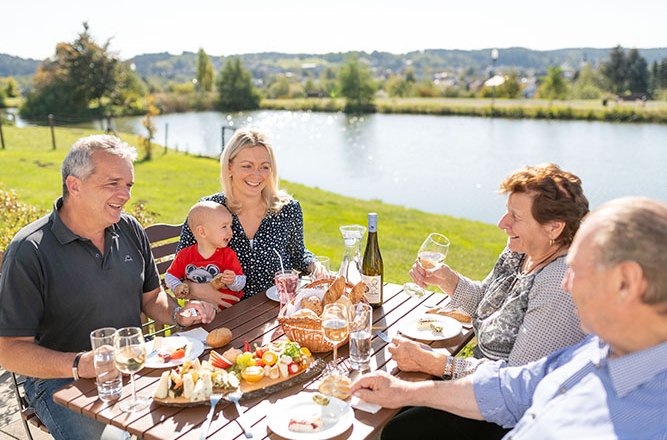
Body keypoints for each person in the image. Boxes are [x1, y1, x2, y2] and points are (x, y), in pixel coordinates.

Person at [353, 197, 667, 439]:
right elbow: (511, 389)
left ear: (626, 282)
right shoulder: (598, 349)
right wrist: (403, 391)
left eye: (577, 270)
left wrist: (437, 367)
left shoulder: (649, 419)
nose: (566, 283)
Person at [0, 135, 217, 440]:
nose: (125, 194)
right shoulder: (29, 250)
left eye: (128, 185)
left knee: (205, 414)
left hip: (133, 366)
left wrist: (180, 315)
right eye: (113, 183)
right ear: (75, 186)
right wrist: (80, 364)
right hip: (62, 381)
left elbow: (152, 298)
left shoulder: (129, 229)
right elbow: (8, 351)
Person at [395, 163, 589, 379]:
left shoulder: (558, 283)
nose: (501, 223)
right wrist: (448, 280)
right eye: (507, 211)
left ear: (554, 227)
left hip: (502, 406)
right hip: (475, 385)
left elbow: (517, 379)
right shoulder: (522, 251)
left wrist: (438, 364)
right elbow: (487, 303)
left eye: (515, 216)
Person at [177, 127, 326, 304]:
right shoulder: (208, 210)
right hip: (222, 316)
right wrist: (198, 290)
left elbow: (298, 254)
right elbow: (179, 273)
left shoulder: (287, 209)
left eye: (264, 167)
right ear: (230, 166)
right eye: (247, 166)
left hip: (274, 313)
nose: (256, 175)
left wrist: (314, 265)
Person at [165, 201, 246, 309]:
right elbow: (170, 276)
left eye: (230, 226)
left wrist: (233, 280)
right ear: (202, 231)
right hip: (199, 312)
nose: (231, 232)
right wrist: (176, 286)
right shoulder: (185, 255)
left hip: (228, 312)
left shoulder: (228, 255)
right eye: (224, 227)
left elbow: (240, 284)